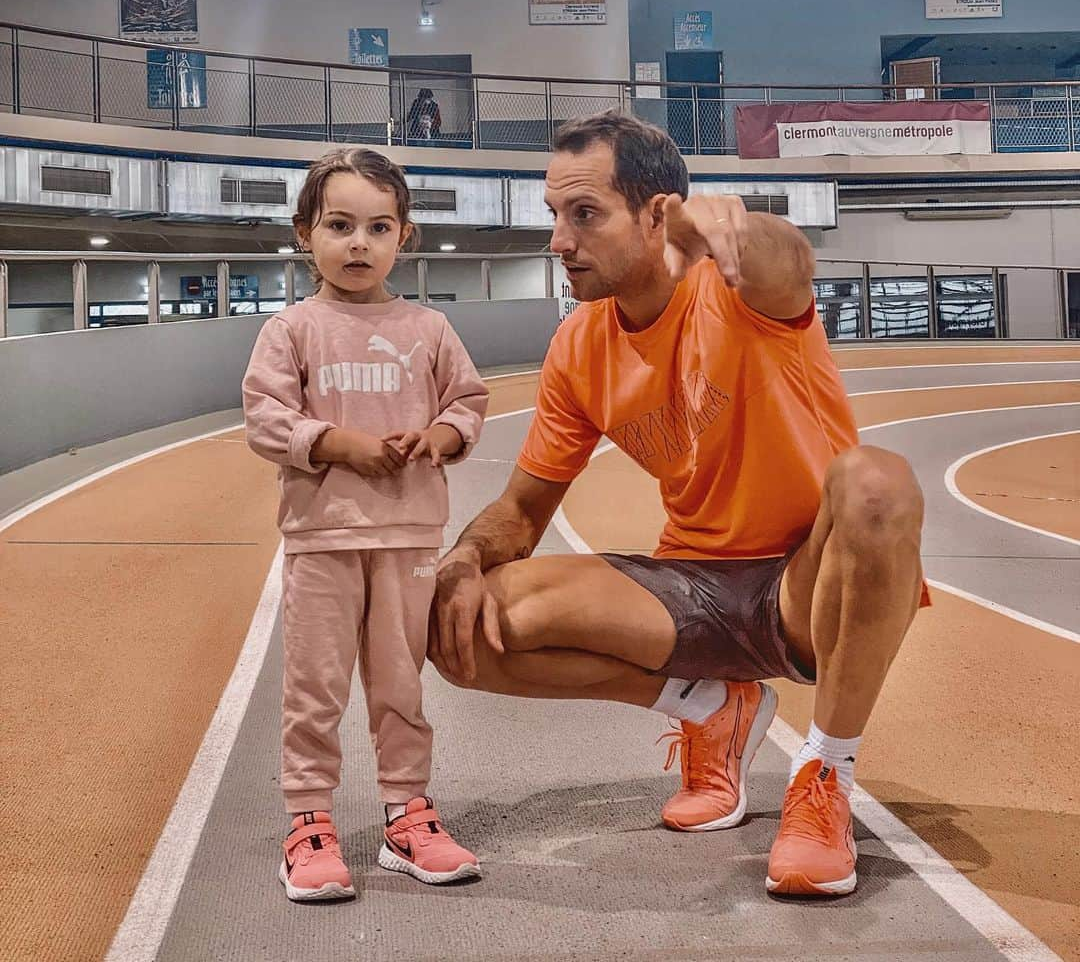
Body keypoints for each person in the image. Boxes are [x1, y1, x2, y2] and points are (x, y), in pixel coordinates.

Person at [430, 111, 927, 898]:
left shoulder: (736, 288)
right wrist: (462, 557)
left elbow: (789, 263)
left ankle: (824, 777)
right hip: (689, 587)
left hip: (804, 586)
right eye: (555, 215)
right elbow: (523, 514)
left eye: (584, 214)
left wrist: (728, 228)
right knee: (464, 626)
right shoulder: (579, 344)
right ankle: (710, 708)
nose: (559, 240)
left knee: (877, 483)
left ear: (655, 213)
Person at [243, 148, 489, 901]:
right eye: (339, 225)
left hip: (409, 537)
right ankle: (308, 821)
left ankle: (406, 814)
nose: (358, 244)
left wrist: (441, 437)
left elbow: (469, 402)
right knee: (315, 689)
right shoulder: (291, 329)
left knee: (400, 687)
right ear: (303, 233)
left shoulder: (429, 326)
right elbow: (264, 416)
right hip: (324, 539)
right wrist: (334, 443)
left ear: (404, 237)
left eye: (377, 228)